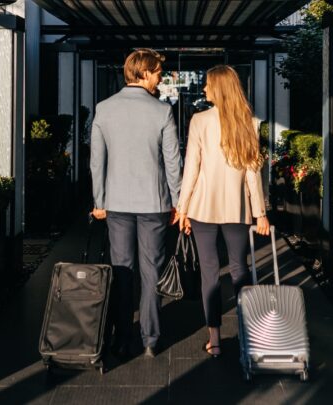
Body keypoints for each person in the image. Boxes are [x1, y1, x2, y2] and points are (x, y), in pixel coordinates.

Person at [90, 48, 181, 359]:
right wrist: (178, 201)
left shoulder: (104, 109)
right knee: (152, 270)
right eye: (157, 72)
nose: (160, 78)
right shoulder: (162, 112)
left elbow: (96, 161)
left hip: (116, 202)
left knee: (122, 269)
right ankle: (151, 338)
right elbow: (172, 163)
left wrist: (99, 200)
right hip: (154, 203)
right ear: (143, 73)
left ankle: (122, 336)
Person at [176, 65, 270, 358]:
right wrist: (260, 213)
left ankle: (214, 340)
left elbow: (191, 168)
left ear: (218, 88)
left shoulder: (200, 120)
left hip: (203, 208)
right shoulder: (250, 123)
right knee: (241, 269)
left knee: (210, 274)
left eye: (206, 85)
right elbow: (253, 173)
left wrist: (183, 209)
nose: (203, 89)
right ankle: (247, 335)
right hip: (237, 209)